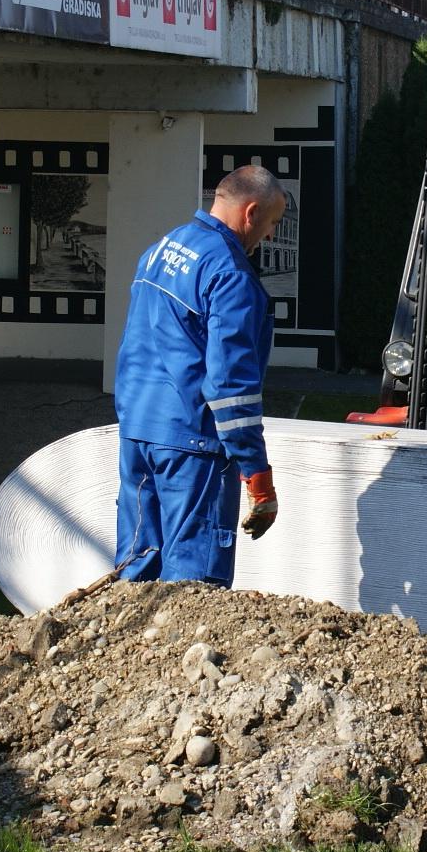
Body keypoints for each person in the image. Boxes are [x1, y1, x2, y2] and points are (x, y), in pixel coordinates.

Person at [112, 165, 288, 587]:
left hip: (138, 432)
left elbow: (139, 343)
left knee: (136, 570)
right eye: (272, 223)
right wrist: (256, 473)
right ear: (251, 213)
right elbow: (230, 385)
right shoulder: (230, 274)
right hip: (192, 443)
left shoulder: (162, 248)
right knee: (194, 586)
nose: (268, 236)